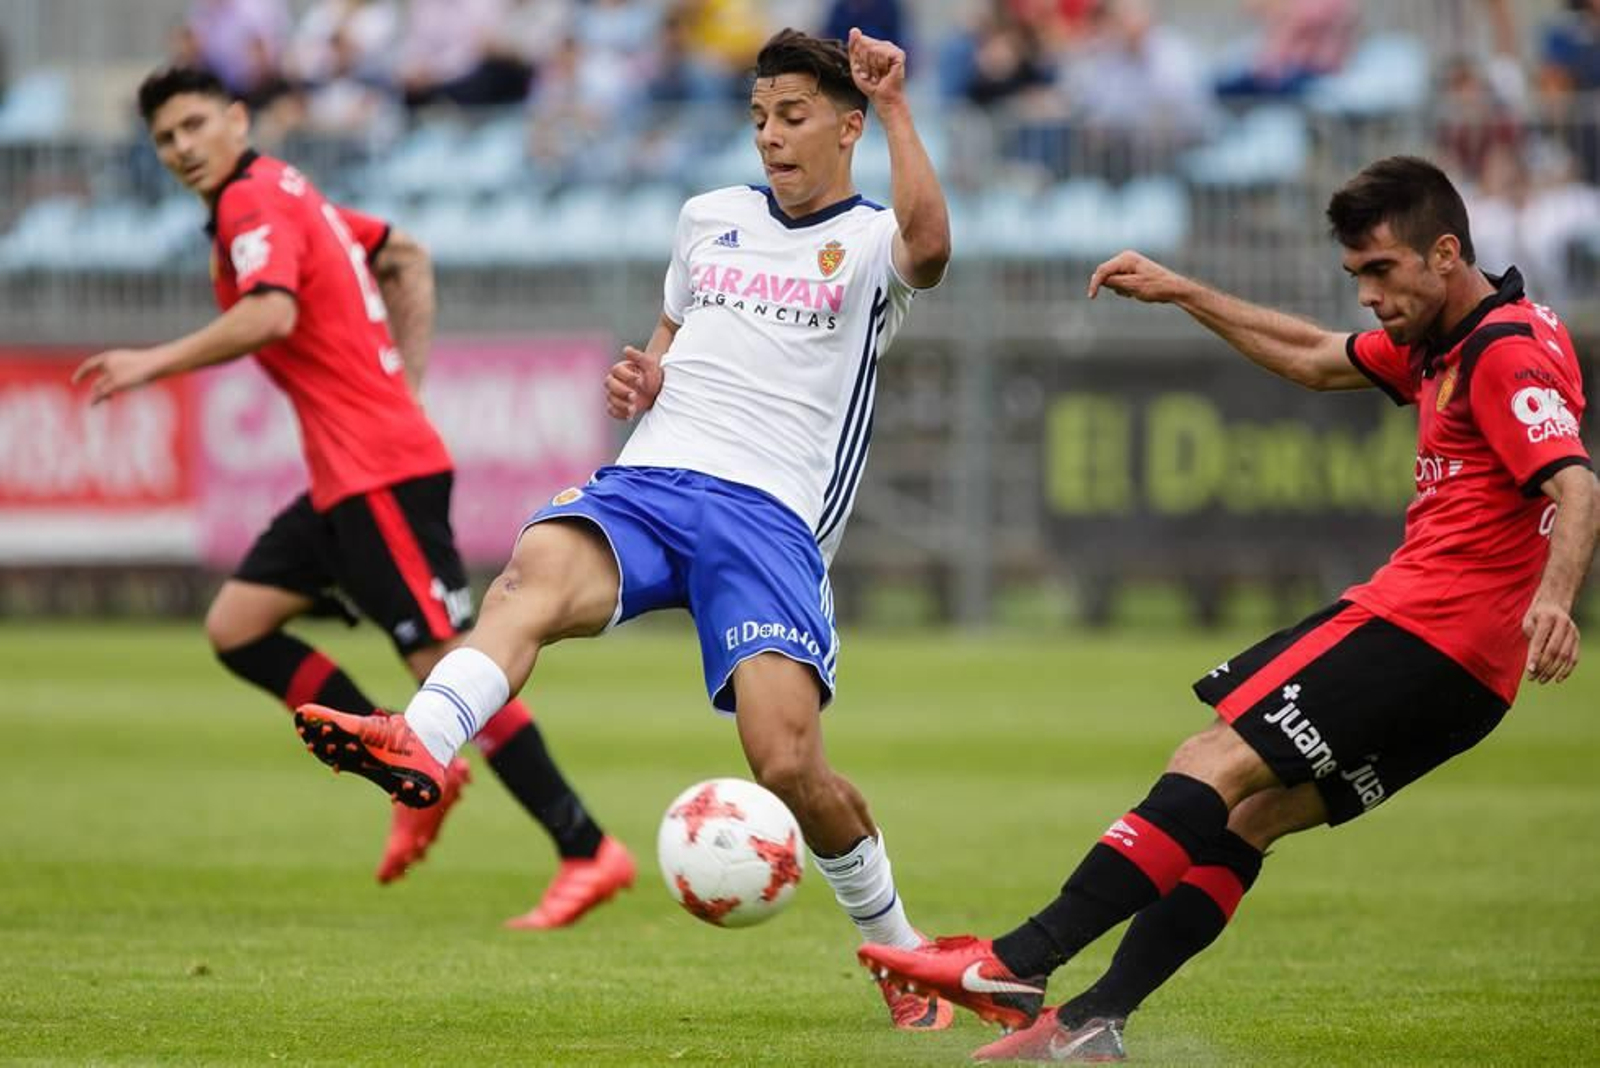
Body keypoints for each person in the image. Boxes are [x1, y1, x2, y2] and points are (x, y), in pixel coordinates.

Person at [859, 155, 1599, 1061]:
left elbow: (1575, 481)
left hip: (1424, 627)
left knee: (1212, 757)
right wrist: (1182, 291)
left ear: (1446, 253)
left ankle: (1018, 961)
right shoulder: (1453, 338)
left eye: (1381, 271)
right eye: (1356, 275)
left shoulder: (1500, 349)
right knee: (1254, 815)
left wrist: (1556, 600)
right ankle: (1093, 1023)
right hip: (1477, 682)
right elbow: (1316, 359)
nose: (1368, 296)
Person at [294, 27, 957, 1031]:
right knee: (532, 572)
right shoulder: (707, 218)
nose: (770, 136)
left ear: (848, 127)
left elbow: (933, 250)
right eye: (758, 118)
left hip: (767, 517)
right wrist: (648, 376)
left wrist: (900, 104)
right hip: (654, 479)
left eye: (792, 116)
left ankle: (906, 956)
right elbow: (672, 338)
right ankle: (423, 739)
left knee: (785, 763)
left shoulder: (871, 240)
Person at [74, 66, 634, 931]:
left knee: (452, 666)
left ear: (237, 119)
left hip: (380, 475)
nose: (181, 148)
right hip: (348, 476)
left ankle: (585, 846)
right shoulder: (288, 191)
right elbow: (406, 254)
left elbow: (271, 314)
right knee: (238, 626)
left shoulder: (251, 201)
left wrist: (150, 362)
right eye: (165, 138)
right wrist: (404, 385)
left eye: (194, 125)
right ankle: (414, 768)